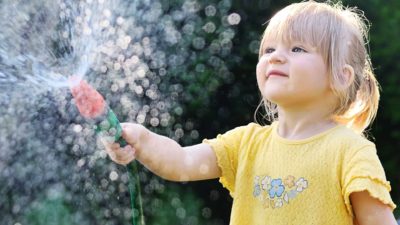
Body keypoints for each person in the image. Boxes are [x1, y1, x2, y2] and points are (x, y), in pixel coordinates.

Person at [102, 1, 397, 224]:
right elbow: (181, 162)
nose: (276, 57)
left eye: (297, 49)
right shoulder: (246, 144)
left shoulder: (350, 152)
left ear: (341, 76)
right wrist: (140, 139)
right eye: (268, 50)